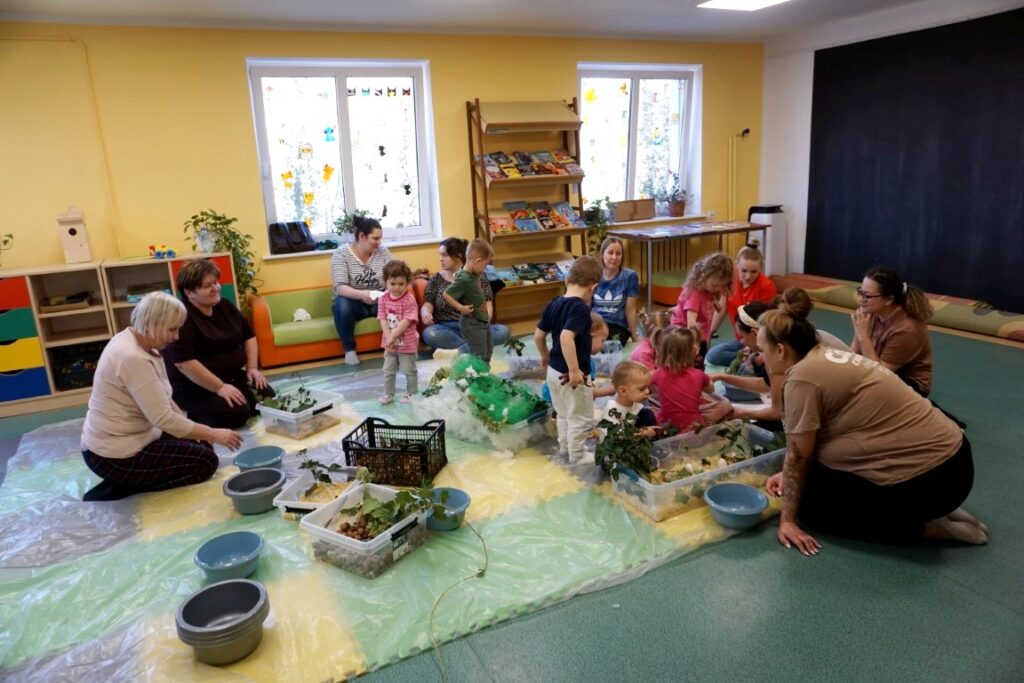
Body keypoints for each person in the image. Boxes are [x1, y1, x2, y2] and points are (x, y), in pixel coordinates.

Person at [758, 304, 987, 555]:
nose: (760, 358)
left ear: (780, 350)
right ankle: (941, 510)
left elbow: (799, 455)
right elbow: (808, 447)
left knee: (811, 510)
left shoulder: (801, 377)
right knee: (813, 480)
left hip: (936, 480)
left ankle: (934, 528)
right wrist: (788, 475)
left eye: (762, 351)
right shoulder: (822, 349)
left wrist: (788, 521)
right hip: (953, 461)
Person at [80, 292, 244, 502]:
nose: (176, 337)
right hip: (113, 454)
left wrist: (195, 431)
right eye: (172, 329)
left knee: (202, 444)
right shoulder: (131, 357)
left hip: (141, 436)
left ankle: (130, 479)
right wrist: (214, 434)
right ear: (151, 323)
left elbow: (163, 397)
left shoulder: (143, 342)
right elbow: (164, 419)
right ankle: (123, 487)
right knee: (205, 463)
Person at [701, 288, 851, 432]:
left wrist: (737, 412)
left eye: (742, 336)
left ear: (755, 333)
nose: (741, 342)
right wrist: (723, 376)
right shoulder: (798, 336)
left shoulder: (784, 352)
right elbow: (768, 384)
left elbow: (779, 412)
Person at [164, 259, 268, 429]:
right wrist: (219, 387)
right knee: (237, 413)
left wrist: (252, 369)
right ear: (189, 293)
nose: (216, 288)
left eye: (216, 283)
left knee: (266, 399)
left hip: (231, 376)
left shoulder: (225, 305)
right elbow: (184, 363)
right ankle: (189, 416)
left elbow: (249, 336)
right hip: (195, 385)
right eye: (207, 286)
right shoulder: (182, 317)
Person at [535, 255, 601, 463]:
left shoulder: (554, 303)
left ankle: (565, 449)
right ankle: (577, 455)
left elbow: (538, 335)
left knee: (563, 413)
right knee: (580, 417)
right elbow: (566, 337)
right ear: (593, 287)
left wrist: (545, 355)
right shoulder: (580, 308)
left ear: (566, 280)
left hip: (553, 372)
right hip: (571, 375)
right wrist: (574, 369)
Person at [850, 265, 934, 396]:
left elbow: (880, 375)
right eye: (860, 292)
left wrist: (863, 336)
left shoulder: (906, 330)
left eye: (867, 296)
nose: (861, 300)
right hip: (878, 368)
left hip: (909, 384)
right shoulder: (871, 311)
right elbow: (853, 355)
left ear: (889, 299)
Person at [420, 238, 509, 353]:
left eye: (444, 255)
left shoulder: (479, 276)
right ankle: (473, 347)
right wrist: (425, 312)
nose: (440, 259)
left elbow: (488, 304)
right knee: (429, 334)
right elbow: (428, 304)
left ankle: (459, 350)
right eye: (440, 255)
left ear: (458, 256)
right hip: (447, 328)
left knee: (502, 331)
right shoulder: (436, 279)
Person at [331, 215, 394, 365]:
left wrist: (387, 293)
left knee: (399, 299)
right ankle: (349, 350)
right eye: (375, 238)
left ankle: (398, 345)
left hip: (379, 301)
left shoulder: (383, 252)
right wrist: (361, 295)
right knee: (341, 303)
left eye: (380, 238)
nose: (379, 242)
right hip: (354, 302)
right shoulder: (341, 254)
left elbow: (394, 277)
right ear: (362, 236)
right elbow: (340, 287)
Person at [705, 241, 777, 367]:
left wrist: (754, 347)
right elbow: (723, 306)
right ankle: (748, 359)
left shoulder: (767, 287)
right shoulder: (731, 277)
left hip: (758, 341)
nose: (748, 276)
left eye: (754, 272)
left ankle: (755, 358)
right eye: (744, 271)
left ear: (761, 268)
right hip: (741, 339)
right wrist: (709, 332)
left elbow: (765, 324)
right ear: (736, 265)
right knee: (713, 355)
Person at [669, 252, 734, 367]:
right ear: (703, 276)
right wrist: (694, 344)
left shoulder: (708, 289)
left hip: (700, 334)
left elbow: (709, 299)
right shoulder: (694, 294)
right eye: (715, 286)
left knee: (700, 362)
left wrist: (715, 303)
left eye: (721, 286)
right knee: (687, 365)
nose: (717, 289)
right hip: (684, 336)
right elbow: (691, 324)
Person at [651, 325, 714, 432]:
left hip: (666, 427)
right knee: (724, 406)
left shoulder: (657, 374)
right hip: (694, 429)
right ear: (694, 350)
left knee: (649, 410)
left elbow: (646, 383)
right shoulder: (699, 375)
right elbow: (711, 390)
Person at [442, 239, 495, 362]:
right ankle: (474, 371)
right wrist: (461, 308)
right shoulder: (464, 278)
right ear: (478, 261)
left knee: (489, 349)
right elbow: (446, 294)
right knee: (480, 354)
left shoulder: (473, 273)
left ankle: (484, 371)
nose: (485, 268)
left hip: (482, 320)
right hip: (472, 323)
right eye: (485, 265)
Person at [377, 260, 419, 405]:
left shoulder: (409, 300)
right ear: (385, 282)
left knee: (409, 370)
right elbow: (382, 318)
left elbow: (406, 321)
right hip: (389, 344)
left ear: (407, 283)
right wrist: (388, 337)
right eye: (392, 284)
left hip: (406, 344)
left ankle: (412, 393)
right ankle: (388, 394)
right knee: (388, 370)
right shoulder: (383, 298)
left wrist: (392, 336)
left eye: (401, 284)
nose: (396, 287)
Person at [592, 236, 639, 345]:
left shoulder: (630, 276)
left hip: (616, 325)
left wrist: (634, 335)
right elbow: (587, 305)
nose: (614, 257)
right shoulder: (593, 274)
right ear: (602, 254)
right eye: (610, 253)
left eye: (618, 254)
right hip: (594, 323)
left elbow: (630, 309)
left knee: (606, 343)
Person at [597, 360, 659, 439]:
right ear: (623, 391)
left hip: (630, 437)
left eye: (647, 387)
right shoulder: (612, 410)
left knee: (647, 414)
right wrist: (641, 433)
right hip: (616, 443)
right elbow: (614, 437)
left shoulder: (635, 404)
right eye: (642, 389)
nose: (647, 391)